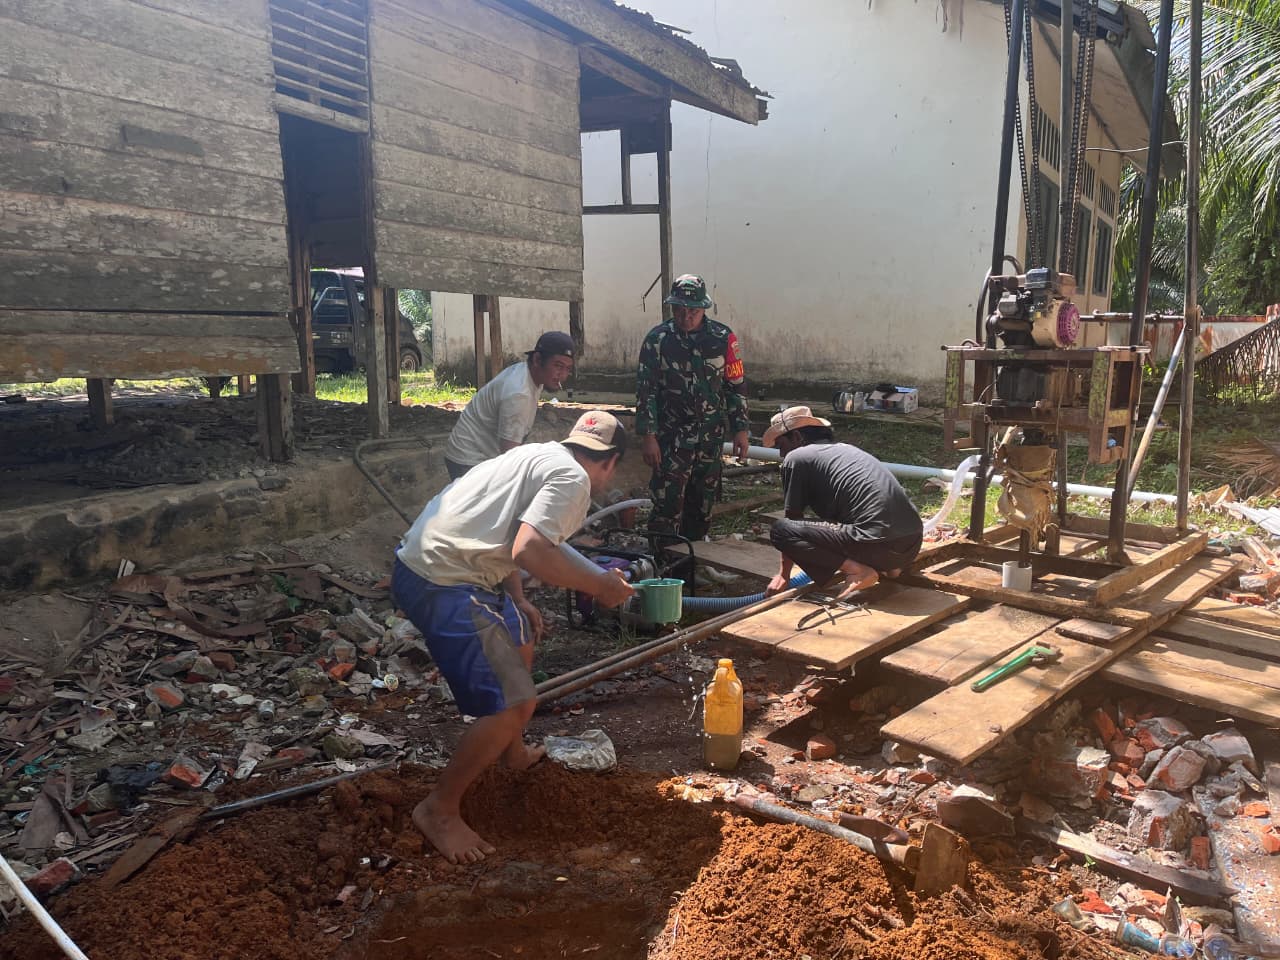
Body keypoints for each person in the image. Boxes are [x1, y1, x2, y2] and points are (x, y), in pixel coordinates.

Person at [392, 411, 635, 863]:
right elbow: (530, 548)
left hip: (434, 561)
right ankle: (439, 809)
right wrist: (599, 585)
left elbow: (512, 533)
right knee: (514, 703)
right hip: (443, 580)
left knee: (521, 632)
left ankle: (512, 750)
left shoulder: (536, 455)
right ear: (611, 461)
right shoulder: (574, 480)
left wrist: (518, 597)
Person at [761, 406, 922, 600]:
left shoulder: (797, 457)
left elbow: (792, 520)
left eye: (781, 445)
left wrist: (784, 575)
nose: (781, 454)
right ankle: (891, 569)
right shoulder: (846, 451)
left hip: (877, 545)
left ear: (796, 437)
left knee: (781, 530)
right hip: (910, 545)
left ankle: (858, 571)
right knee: (848, 524)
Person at [635, 274, 750, 541]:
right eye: (679, 310)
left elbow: (735, 386)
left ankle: (693, 557)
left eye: (693, 312)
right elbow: (646, 390)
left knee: (702, 505)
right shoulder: (658, 340)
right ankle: (662, 561)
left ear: (703, 308)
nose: (686, 317)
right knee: (666, 504)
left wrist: (741, 429)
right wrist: (648, 436)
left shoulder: (723, 338)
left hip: (710, 438)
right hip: (671, 439)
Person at [442, 330, 576, 479]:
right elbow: (510, 456)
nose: (563, 375)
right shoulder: (519, 394)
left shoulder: (529, 374)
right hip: (469, 460)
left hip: (476, 455)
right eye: (558, 366)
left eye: (568, 369)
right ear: (538, 360)